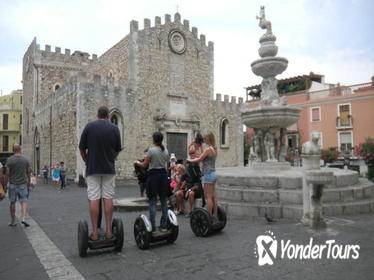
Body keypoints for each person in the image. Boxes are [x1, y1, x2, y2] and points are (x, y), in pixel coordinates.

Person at [79, 106, 122, 241]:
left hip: (93, 168)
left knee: (94, 198)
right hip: (109, 169)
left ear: (97, 115)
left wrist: (87, 161)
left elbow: (81, 148)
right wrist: (111, 158)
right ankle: (109, 231)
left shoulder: (89, 127)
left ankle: (95, 232)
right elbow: (118, 149)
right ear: (108, 116)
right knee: (108, 198)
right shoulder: (114, 128)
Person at [134, 131, 169, 232]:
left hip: (153, 176)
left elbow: (144, 165)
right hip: (163, 175)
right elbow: (166, 163)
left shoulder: (151, 150)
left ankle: (152, 226)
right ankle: (164, 225)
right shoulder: (165, 150)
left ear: (154, 139)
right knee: (163, 201)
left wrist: (137, 162)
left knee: (153, 201)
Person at [187, 132, 218, 218]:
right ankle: (215, 215)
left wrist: (189, 160)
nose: (203, 140)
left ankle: (209, 217)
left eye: (205, 139)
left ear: (208, 139)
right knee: (213, 196)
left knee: (208, 197)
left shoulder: (208, 150)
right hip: (214, 173)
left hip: (208, 174)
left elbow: (199, 160)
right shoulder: (214, 149)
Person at [5, 144, 32, 227]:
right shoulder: (25, 160)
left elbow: (7, 173)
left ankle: (13, 221)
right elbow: (29, 172)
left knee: (12, 202)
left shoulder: (9, 160)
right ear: (20, 150)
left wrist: (6, 184)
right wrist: (29, 182)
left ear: (13, 150)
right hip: (23, 184)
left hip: (13, 184)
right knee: (24, 201)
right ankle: (23, 218)